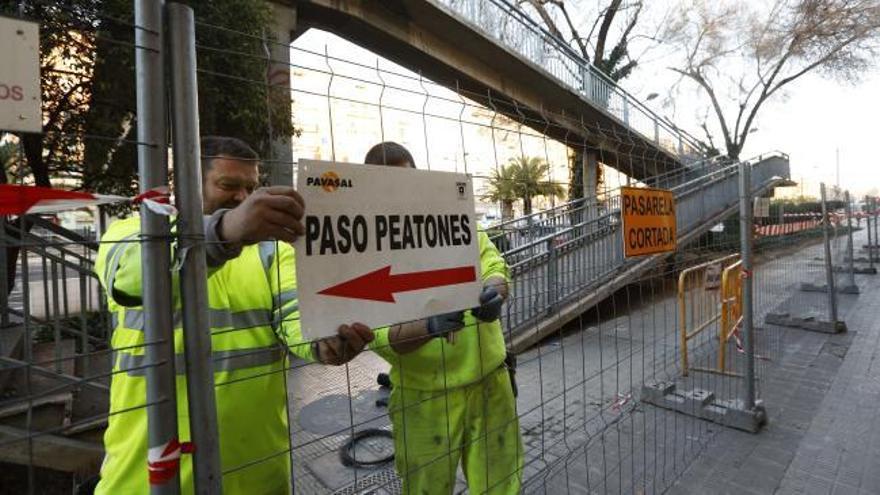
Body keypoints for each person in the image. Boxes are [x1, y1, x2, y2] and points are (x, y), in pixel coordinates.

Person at [93, 136, 373, 494]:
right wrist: (223, 234)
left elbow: (297, 320)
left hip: (258, 475)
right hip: (147, 478)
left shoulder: (272, 251)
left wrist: (325, 343)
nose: (242, 198)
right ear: (186, 184)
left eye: (250, 188)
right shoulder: (132, 232)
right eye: (228, 185)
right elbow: (134, 278)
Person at [363, 142, 523, 494]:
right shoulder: (365, 245)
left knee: (502, 485)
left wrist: (495, 290)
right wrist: (429, 326)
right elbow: (375, 332)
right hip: (424, 398)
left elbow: (495, 265)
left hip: (490, 382)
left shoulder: (455, 223)